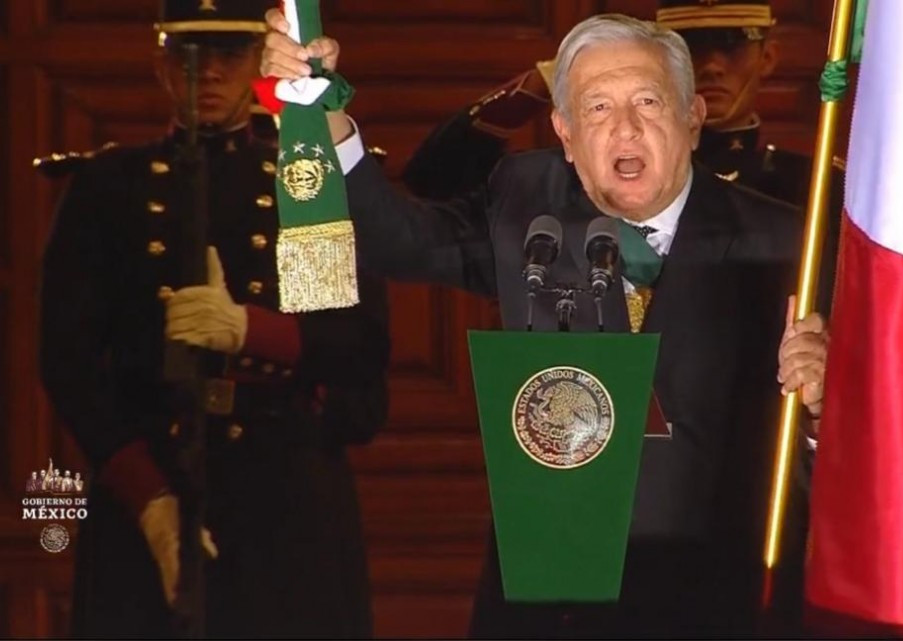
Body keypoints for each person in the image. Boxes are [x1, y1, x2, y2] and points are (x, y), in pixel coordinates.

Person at [263, 10, 828, 638]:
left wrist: (823, 409)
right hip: (550, 601)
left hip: (718, 600)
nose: (626, 129)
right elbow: (401, 242)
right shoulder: (527, 204)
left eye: (648, 101)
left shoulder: (785, 243)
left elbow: (845, 441)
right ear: (563, 131)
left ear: (692, 119)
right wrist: (321, 114)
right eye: (597, 109)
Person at [36, 2, 390, 637]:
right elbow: (67, 361)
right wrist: (150, 501)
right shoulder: (109, 187)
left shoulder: (300, 186)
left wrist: (248, 330)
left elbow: (352, 345)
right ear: (163, 66)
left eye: (229, 56)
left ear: (258, 62)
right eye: (190, 57)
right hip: (149, 477)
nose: (210, 74)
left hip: (282, 493)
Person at [401, 0, 841, 310]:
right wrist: (539, 85)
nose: (711, 65)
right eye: (695, 47)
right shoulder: (576, 178)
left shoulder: (813, 186)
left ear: (768, 58)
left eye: (732, 47)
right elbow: (431, 180)